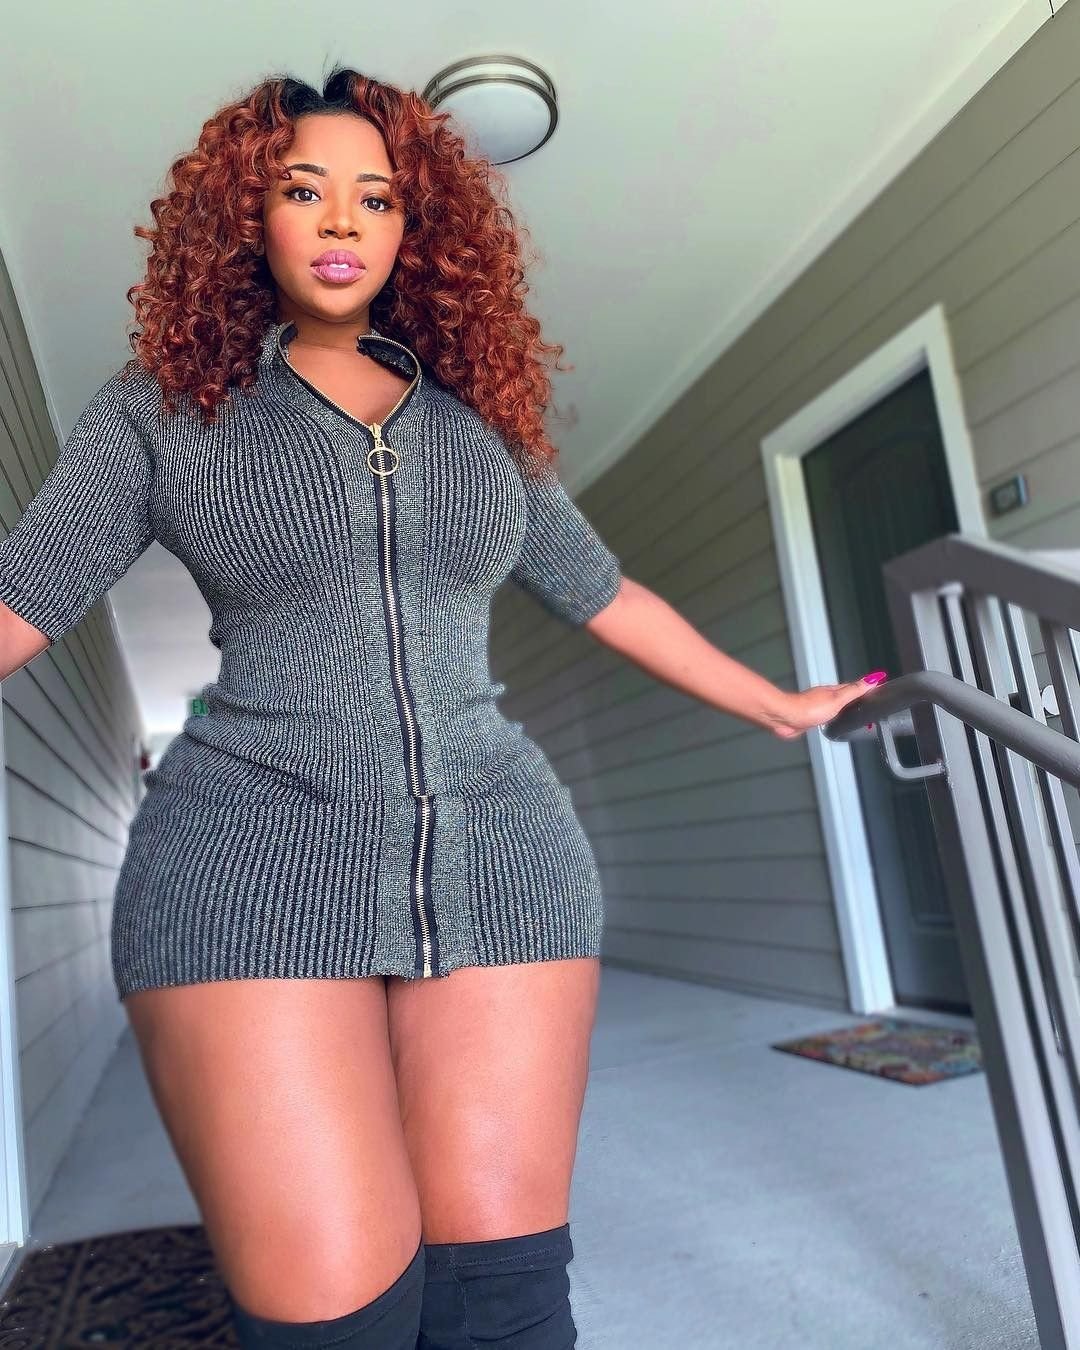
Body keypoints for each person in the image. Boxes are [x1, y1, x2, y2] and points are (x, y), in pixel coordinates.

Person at [0, 65, 886, 1349]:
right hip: (247, 855)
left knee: (503, 1310)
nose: (343, 221)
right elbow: (22, 598)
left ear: (417, 230)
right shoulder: (166, 412)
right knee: (345, 1323)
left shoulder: (480, 427)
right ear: (247, 214)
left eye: (379, 198)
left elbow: (603, 591)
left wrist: (777, 705)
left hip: (499, 845)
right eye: (305, 189)